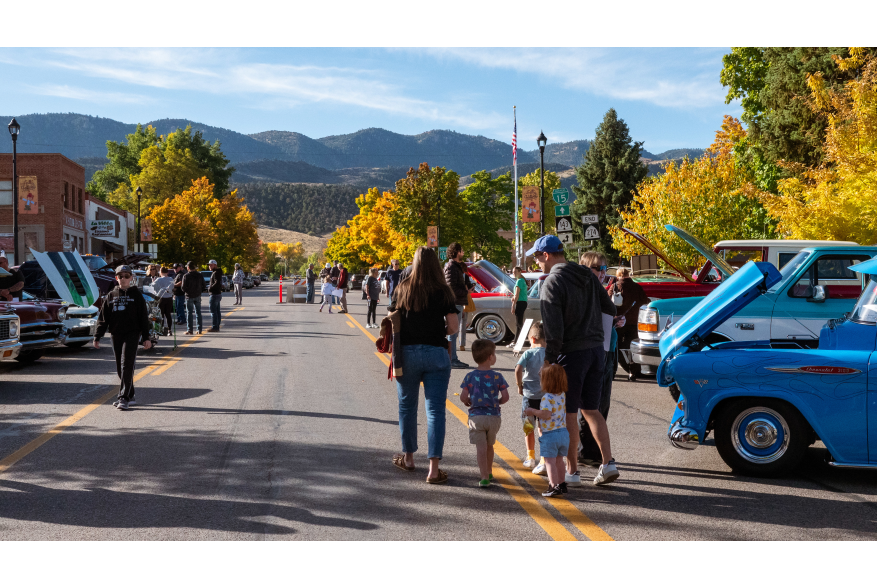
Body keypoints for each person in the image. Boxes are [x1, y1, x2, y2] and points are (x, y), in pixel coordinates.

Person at [528, 235, 619, 487]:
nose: (536, 263)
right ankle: (608, 462)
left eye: (537, 257)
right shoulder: (587, 275)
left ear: (546, 255)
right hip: (596, 350)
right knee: (591, 409)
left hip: (572, 353)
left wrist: (549, 359)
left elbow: (554, 328)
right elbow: (609, 309)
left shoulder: (553, 282)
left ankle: (572, 471)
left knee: (569, 412)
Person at [389, 246, 459, 485]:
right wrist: (438, 329)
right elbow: (453, 327)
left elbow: (392, 319)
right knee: (436, 411)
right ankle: (434, 469)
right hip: (437, 354)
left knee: (407, 408)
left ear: (415, 263)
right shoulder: (444, 291)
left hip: (406, 353)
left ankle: (408, 458)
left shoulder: (402, 288)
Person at [578, 251, 625, 467]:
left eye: (606, 269)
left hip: (608, 350)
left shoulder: (601, 290)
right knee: (590, 404)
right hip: (593, 351)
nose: (605, 274)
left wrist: (616, 321)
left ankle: (595, 450)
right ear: (588, 269)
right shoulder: (584, 290)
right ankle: (586, 451)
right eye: (600, 269)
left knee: (603, 402)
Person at [93, 265, 152, 411]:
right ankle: (130, 395)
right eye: (120, 276)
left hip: (132, 333)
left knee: (127, 363)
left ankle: (123, 398)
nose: (123, 279)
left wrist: (146, 337)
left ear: (131, 278)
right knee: (120, 366)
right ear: (116, 278)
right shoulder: (111, 295)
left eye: (126, 276)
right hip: (116, 333)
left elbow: (143, 317)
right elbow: (103, 318)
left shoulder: (136, 295)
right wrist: (97, 336)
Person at [460, 339, 509, 488]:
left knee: (480, 447)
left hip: (477, 417)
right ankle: (489, 470)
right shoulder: (498, 376)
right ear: (490, 357)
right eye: (494, 354)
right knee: (490, 445)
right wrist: (497, 403)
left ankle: (484, 477)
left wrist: (467, 401)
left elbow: (463, 397)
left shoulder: (470, 376)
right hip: (493, 417)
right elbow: (506, 397)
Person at [524, 364, 570, 497]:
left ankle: (553, 485)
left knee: (549, 461)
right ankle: (561, 483)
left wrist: (532, 411)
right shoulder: (562, 395)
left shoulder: (546, 398)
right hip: (563, 433)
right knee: (559, 460)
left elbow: (546, 414)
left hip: (550, 435)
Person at [515, 321, 546, 472]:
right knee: (542, 427)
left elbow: (518, 369)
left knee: (528, 427)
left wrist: (519, 385)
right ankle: (545, 458)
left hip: (528, 396)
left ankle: (530, 457)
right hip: (545, 397)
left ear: (532, 339)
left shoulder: (528, 353)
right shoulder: (549, 354)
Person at [609, 266, 649, 381]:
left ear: (618, 276)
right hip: (634, 322)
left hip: (618, 321)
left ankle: (613, 370)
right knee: (633, 347)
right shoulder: (637, 287)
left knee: (617, 346)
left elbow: (607, 302)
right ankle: (633, 372)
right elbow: (645, 302)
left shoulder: (614, 286)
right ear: (628, 275)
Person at [443, 242, 475, 369]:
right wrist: (466, 292)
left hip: (458, 303)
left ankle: (453, 358)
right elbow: (450, 287)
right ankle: (451, 360)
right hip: (454, 303)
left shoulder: (456, 266)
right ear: (456, 252)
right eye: (461, 251)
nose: (463, 253)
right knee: (453, 332)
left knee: (454, 332)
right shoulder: (451, 267)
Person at [508, 266, 529, 348]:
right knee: (519, 323)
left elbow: (517, 294)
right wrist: (514, 297)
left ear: (520, 272)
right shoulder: (522, 280)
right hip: (523, 302)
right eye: (513, 272)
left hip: (520, 303)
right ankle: (518, 340)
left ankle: (516, 341)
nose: (514, 273)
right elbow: (518, 294)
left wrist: (513, 306)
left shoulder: (519, 281)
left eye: (515, 272)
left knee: (518, 323)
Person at [181, 261, 204, 335]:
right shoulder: (199, 275)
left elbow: (183, 287)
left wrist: (187, 291)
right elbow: (204, 285)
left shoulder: (186, 276)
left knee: (189, 313)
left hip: (189, 296)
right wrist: (199, 291)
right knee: (198, 313)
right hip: (197, 295)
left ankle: (190, 330)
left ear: (188, 267)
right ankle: (199, 329)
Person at [151, 266, 175, 335]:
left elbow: (152, 286)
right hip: (169, 298)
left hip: (161, 298)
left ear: (160, 272)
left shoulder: (158, 279)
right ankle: (169, 330)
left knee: (161, 314)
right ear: (167, 272)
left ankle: (161, 329)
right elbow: (172, 288)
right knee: (168, 314)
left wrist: (153, 282)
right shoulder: (171, 279)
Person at [207, 259, 223, 333]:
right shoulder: (216, 272)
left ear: (215, 265)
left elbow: (217, 283)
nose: (209, 266)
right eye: (209, 265)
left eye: (211, 265)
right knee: (217, 311)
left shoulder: (216, 273)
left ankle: (215, 327)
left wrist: (210, 288)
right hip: (217, 294)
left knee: (213, 311)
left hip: (214, 294)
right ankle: (217, 325)